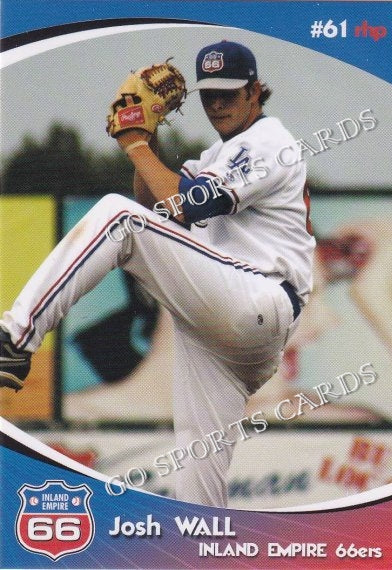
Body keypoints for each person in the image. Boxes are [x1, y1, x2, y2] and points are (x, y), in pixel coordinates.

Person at [0, 41, 315, 507]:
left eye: (229, 92)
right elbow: (156, 210)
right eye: (209, 94)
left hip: (256, 299)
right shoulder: (214, 156)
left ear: (255, 91)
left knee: (114, 215)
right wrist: (147, 138)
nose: (218, 103)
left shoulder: (270, 142)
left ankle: (14, 338)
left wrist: (135, 142)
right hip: (222, 329)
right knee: (198, 481)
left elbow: (184, 206)